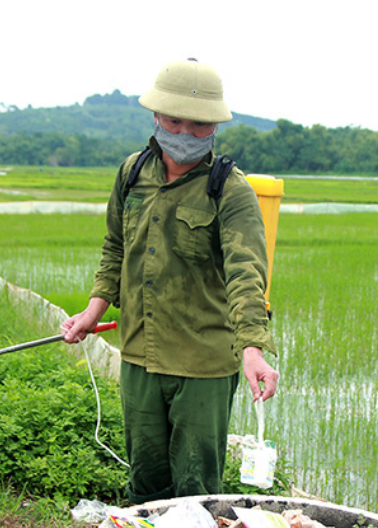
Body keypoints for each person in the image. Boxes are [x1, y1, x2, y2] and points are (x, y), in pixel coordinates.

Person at [62, 58, 279, 504]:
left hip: (203, 362)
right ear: (156, 117)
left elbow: (246, 273)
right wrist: (93, 311)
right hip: (141, 354)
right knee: (145, 482)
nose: (184, 134)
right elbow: (115, 249)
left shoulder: (230, 190)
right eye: (175, 120)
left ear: (215, 125)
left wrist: (253, 349)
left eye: (199, 125)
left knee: (196, 489)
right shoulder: (132, 174)